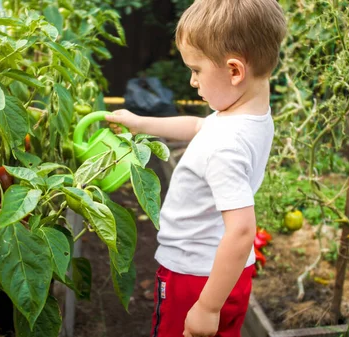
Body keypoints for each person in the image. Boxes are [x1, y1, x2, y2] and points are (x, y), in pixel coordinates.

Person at [106, 0, 286, 336]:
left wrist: (206, 307)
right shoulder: (250, 117)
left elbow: (243, 230)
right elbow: (199, 126)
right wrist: (141, 123)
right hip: (229, 274)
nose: (192, 81)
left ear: (234, 71)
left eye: (196, 70)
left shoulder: (224, 144)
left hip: (195, 279)